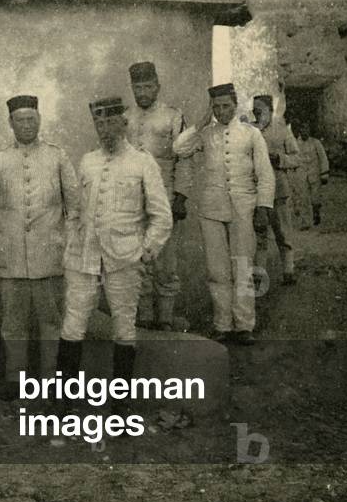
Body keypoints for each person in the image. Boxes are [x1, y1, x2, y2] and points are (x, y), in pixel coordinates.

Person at [57, 96, 171, 413]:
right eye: (99, 123)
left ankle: (120, 406)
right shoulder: (88, 162)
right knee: (73, 323)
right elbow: (75, 212)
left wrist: (146, 252)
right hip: (84, 257)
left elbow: (162, 216)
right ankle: (64, 403)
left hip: (124, 257)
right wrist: (72, 241)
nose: (105, 129)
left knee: (124, 326)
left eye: (111, 122)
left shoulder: (142, 162)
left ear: (124, 123)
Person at [0, 94, 77, 400]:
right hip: (10, 255)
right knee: (13, 321)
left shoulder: (58, 157)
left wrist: (70, 244)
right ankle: (15, 378)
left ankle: (49, 380)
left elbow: (75, 207)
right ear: (10, 123)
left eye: (32, 119)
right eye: (20, 120)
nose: (27, 125)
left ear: (40, 120)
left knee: (51, 320)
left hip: (50, 252)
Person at [173, 83, 275, 345]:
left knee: (242, 266)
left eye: (225, 106)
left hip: (244, 207)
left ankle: (244, 325)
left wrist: (263, 208)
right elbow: (179, 149)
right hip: (211, 209)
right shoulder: (206, 135)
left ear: (235, 104)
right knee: (217, 269)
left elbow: (265, 174)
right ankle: (222, 324)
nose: (221, 112)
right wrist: (200, 123)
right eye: (216, 107)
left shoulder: (251, 134)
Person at [124, 61, 192, 330]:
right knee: (136, 258)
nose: (142, 92)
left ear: (157, 86)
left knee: (164, 260)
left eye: (147, 86)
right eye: (137, 87)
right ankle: (143, 317)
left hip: (163, 196)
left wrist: (181, 197)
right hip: (132, 198)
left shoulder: (173, 116)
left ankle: (164, 318)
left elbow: (184, 159)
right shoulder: (125, 118)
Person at [251, 95, 301, 287]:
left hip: (278, 190)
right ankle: (259, 274)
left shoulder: (282, 131)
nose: (257, 115)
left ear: (270, 111)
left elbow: (297, 158)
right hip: (255, 190)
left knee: (282, 232)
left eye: (260, 111)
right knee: (259, 233)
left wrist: (279, 158)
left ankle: (288, 270)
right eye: (254, 111)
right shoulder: (250, 130)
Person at [294, 121, 330, 227]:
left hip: (315, 173)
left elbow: (323, 158)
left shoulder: (316, 143)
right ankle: (305, 222)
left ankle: (316, 212)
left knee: (315, 197)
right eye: (302, 129)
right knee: (303, 198)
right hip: (301, 174)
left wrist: (324, 173)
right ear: (300, 131)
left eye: (306, 129)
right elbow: (293, 158)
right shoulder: (295, 143)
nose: (304, 131)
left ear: (309, 130)